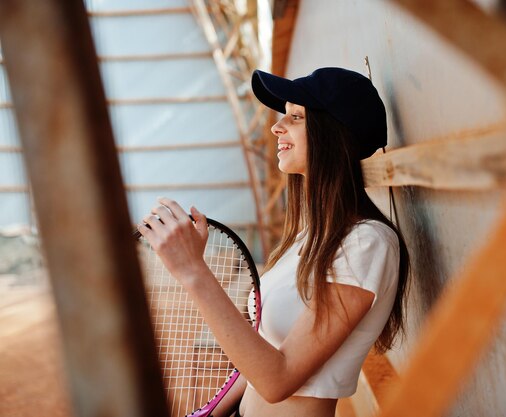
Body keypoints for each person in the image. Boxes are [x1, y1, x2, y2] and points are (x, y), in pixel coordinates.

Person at [138, 67, 410, 417]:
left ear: (334, 134)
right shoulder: (309, 236)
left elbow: (278, 379)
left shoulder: (368, 243)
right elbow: (259, 358)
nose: (276, 126)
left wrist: (193, 271)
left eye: (296, 117)